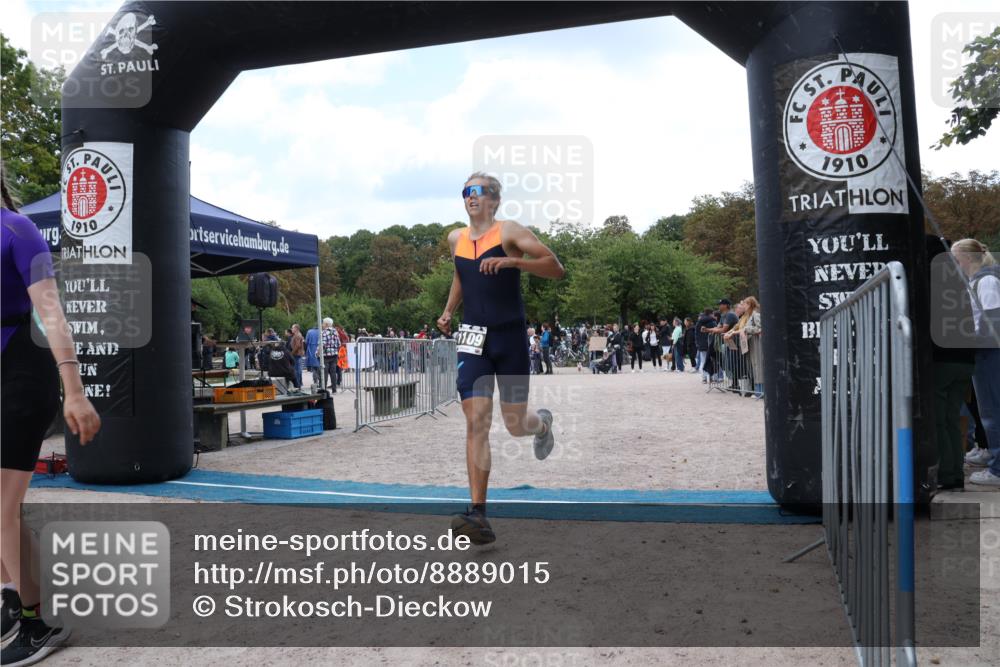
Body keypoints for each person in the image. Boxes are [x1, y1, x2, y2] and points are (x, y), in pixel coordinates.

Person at [2, 172, 101, 665]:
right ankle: (11, 593)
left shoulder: (19, 231)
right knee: (2, 511)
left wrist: (76, 390)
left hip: (22, 376)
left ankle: (42, 620)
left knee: (1, 508)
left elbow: (51, 312)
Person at [437, 172, 564, 544]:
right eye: (466, 192)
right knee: (476, 420)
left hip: (509, 338)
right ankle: (478, 513)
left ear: (494, 199)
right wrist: (448, 311)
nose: (471, 197)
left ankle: (540, 424)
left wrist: (514, 264)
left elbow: (555, 267)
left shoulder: (510, 232)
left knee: (514, 424)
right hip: (473, 338)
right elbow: (462, 276)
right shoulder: (455, 238)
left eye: (478, 191)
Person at [951, 239, 1000, 486]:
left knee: (993, 411)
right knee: (988, 411)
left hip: (990, 355)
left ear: (967, 259)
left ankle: (998, 469)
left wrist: (969, 341)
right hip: (982, 353)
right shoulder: (974, 282)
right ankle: (992, 455)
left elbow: (993, 324)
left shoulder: (987, 281)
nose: (954, 265)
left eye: (956, 260)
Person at [321, 317, 340, 393]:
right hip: (334, 355)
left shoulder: (324, 332)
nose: (322, 325)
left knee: (324, 373)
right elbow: (339, 344)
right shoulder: (335, 332)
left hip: (326, 355)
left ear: (326, 324)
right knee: (333, 373)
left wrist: (317, 353)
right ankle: (334, 390)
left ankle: (324, 389)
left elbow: (323, 344)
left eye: (322, 323)